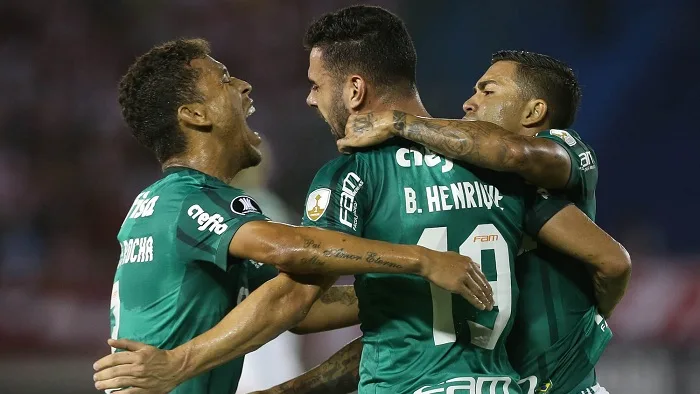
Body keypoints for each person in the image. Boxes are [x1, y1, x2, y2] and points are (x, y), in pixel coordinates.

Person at [94, 7, 630, 394]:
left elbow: (295, 287)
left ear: (353, 91)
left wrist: (180, 363)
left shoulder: (350, 175)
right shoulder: (499, 171)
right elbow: (607, 260)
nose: (307, 97)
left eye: (315, 85)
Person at [93, 38, 494, 394]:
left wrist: (410, 294)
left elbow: (301, 305)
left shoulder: (165, 203)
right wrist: (423, 260)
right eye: (225, 79)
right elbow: (296, 247)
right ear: (196, 115)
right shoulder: (190, 200)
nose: (243, 85)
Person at [337, 50, 617, 394]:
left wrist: (400, 122)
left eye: (488, 91)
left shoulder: (563, 151)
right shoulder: (475, 185)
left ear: (534, 111)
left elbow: (614, 263)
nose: (469, 103)